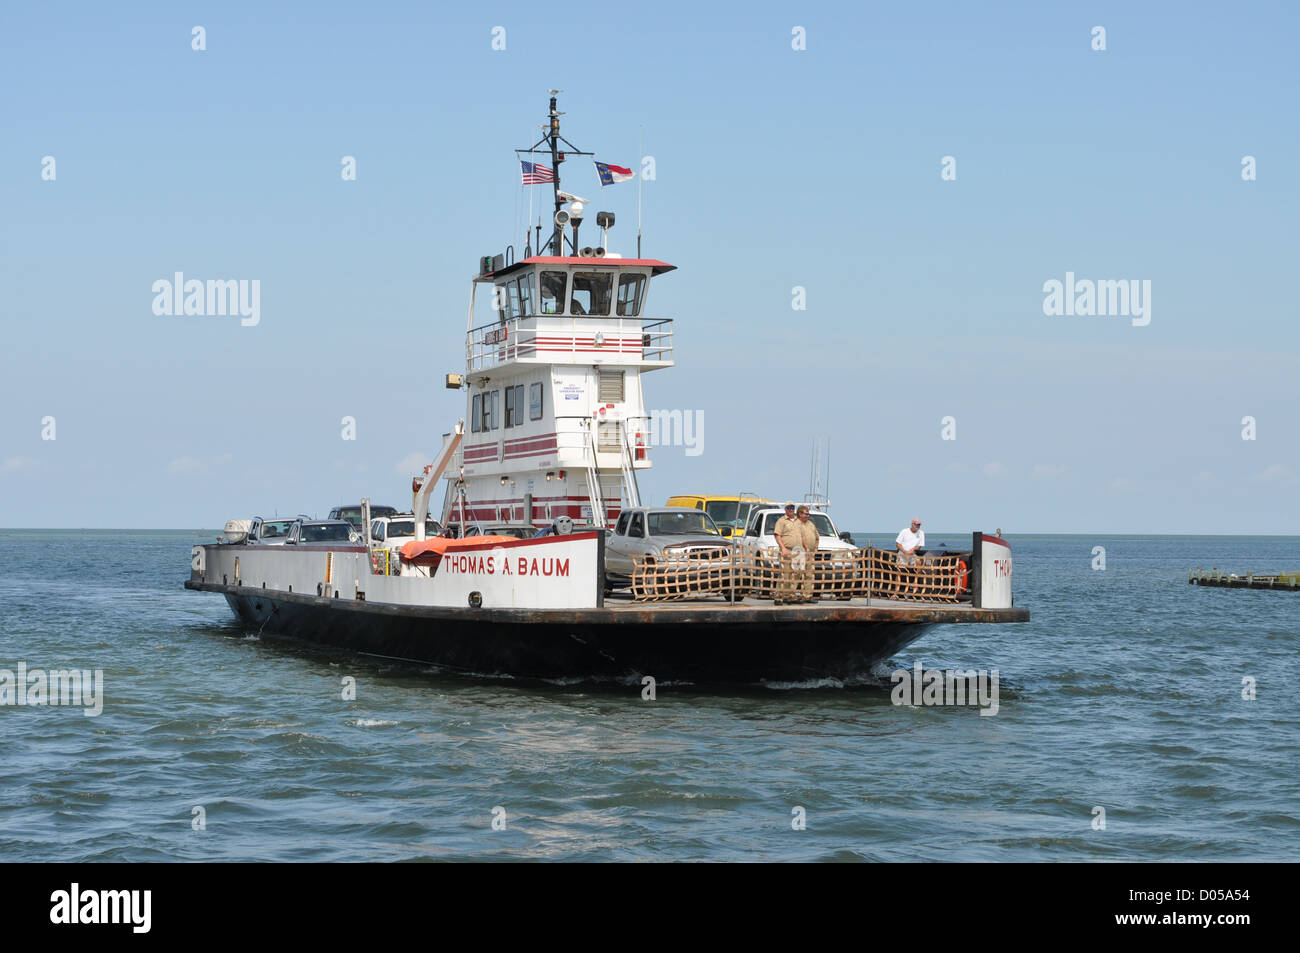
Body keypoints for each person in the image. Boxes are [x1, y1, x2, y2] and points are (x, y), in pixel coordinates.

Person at [792, 505, 820, 602]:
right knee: (796, 574)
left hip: (809, 554)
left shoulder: (811, 524)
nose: (808, 515)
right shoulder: (795, 524)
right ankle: (791, 595)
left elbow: (817, 537)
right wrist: (806, 548)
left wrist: (815, 548)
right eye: (806, 513)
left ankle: (807, 595)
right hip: (799, 552)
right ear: (800, 514)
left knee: (808, 575)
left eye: (808, 514)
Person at [773, 503, 799, 605]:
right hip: (786, 550)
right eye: (789, 508)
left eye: (792, 508)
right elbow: (777, 535)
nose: (791, 510)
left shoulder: (798, 521)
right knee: (785, 574)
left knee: (796, 574)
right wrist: (783, 548)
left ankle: (790, 596)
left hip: (798, 551)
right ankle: (778, 596)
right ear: (785, 509)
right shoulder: (781, 521)